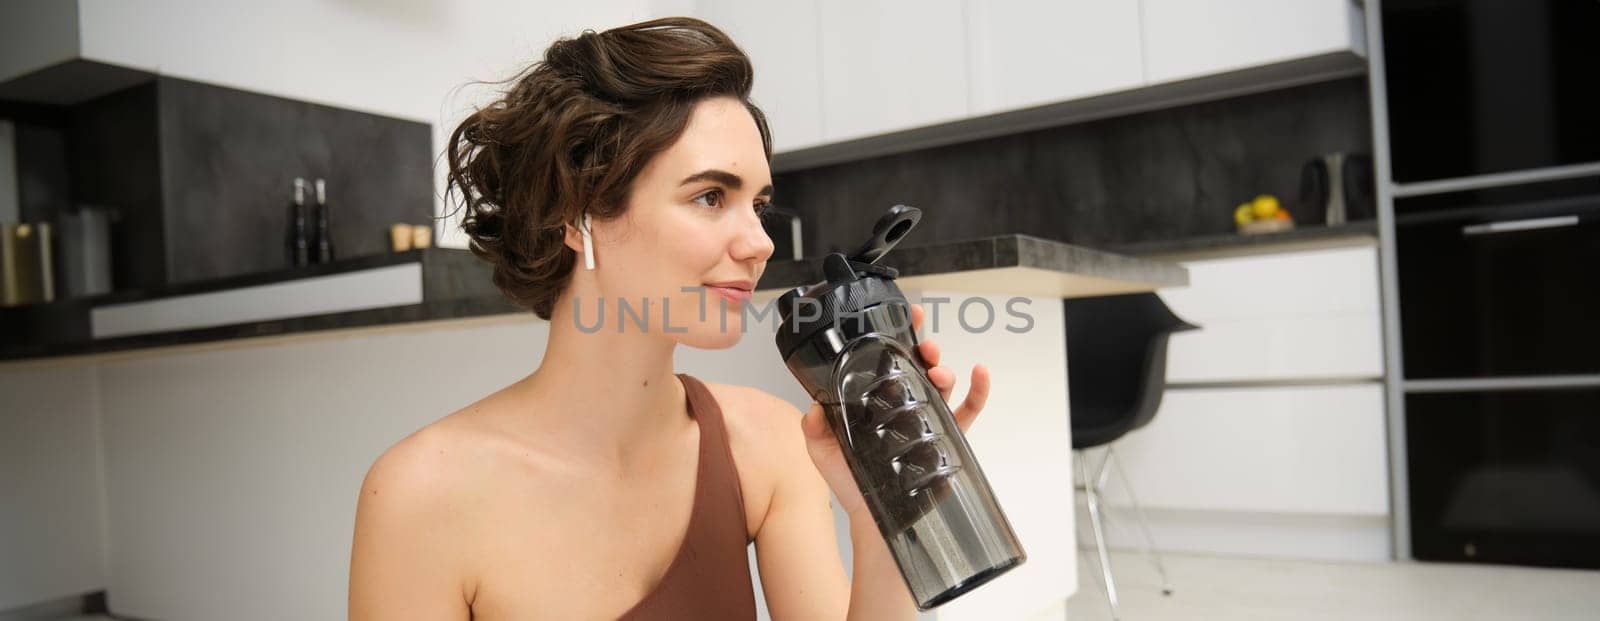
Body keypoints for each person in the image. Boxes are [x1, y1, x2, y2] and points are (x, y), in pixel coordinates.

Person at [348, 17, 991, 620]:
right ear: (580, 215)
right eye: (711, 196)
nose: (760, 243)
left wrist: (882, 507)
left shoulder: (768, 446)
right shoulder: (422, 496)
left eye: (758, 205)